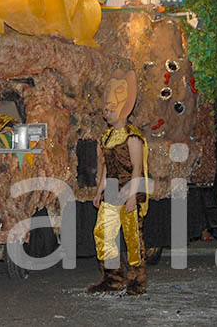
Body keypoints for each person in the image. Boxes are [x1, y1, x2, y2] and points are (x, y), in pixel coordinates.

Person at [88, 69, 149, 296]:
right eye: (105, 110)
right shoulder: (105, 137)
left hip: (128, 190)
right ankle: (112, 279)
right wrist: (98, 191)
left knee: (132, 237)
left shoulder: (133, 137)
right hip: (112, 191)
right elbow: (105, 168)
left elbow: (137, 168)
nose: (106, 114)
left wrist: (133, 195)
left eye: (110, 110)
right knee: (103, 232)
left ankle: (136, 281)